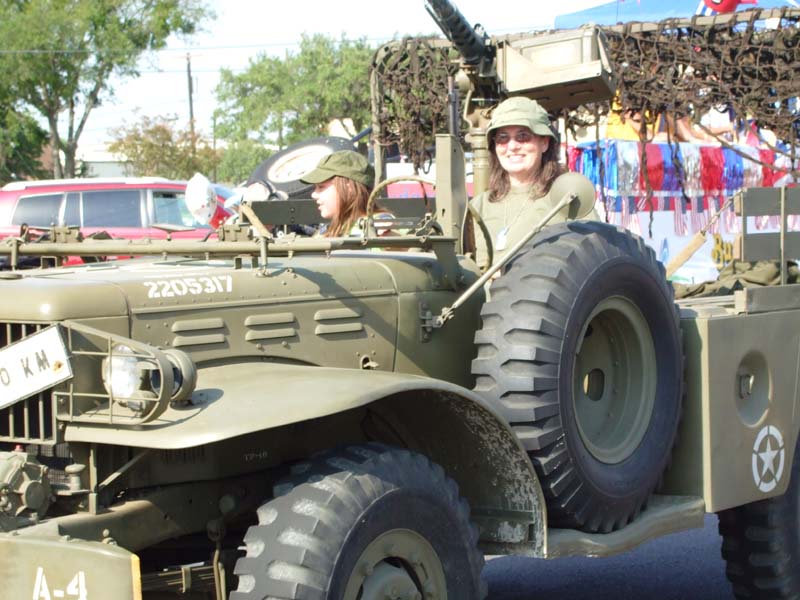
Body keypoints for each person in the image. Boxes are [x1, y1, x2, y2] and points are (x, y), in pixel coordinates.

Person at [472, 96, 596, 270]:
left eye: (523, 136)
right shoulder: (478, 207)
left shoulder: (568, 199)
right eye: (502, 138)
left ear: (544, 142)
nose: (512, 146)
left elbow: (597, 262)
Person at [300, 150, 375, 237]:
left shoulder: (378, 227)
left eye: (321, 187)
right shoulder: (333, 228)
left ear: (349, 188)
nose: (314, 194)